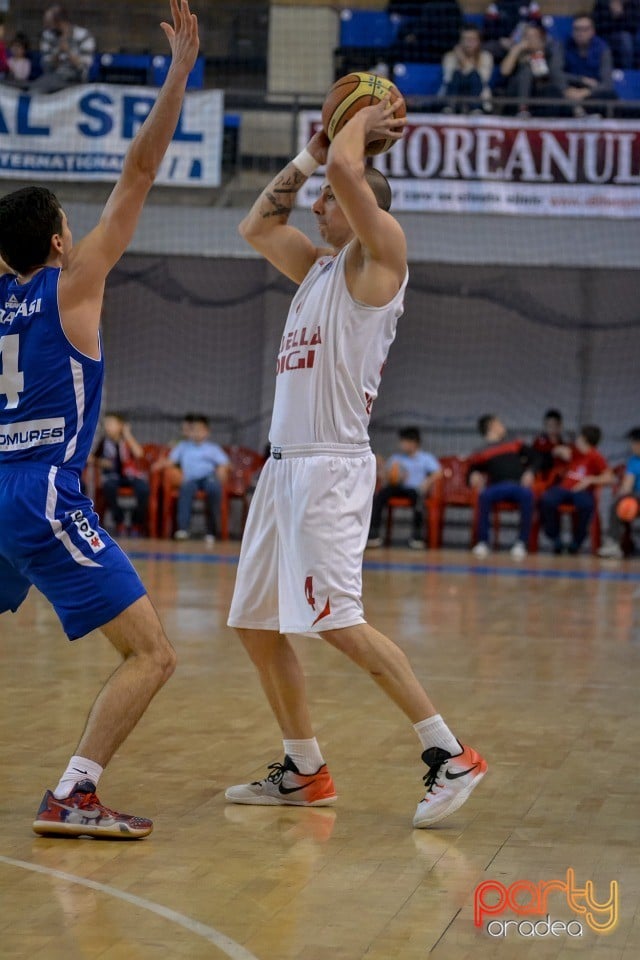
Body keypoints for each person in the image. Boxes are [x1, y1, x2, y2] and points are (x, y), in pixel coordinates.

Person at [225, 97, 487, 830]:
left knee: (336, 622)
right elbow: (255, 225)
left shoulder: (382, 260)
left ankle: (450, 752)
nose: (318, 208)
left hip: (330, 468)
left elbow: (348, 169)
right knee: (254, 624)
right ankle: (304, 769)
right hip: (282, 470)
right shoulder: (315, 267)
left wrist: (355, 122)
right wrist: (311, 150)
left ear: (365, 207)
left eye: (331, 203)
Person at [0, 0, 199, 839]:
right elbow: (140, 174)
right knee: (154, 653)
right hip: (42, 493)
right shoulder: (71, 287)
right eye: (67, 227)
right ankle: (74, 792)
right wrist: (180, 71)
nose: (78, 233)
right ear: (54, 244)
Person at [468, 414, 541, 559]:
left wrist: (531, 472)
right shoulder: (481, 451)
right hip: (496, 487)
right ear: (491, 427)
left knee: (528, 496)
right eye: (499, 423)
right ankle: (483, 542)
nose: (502, 425)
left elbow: (537, 458)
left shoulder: (514, 443)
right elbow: (472, 469)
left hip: (517, 486)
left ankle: (521, 543)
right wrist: (473, 474)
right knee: (484, 496)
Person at [152, 414, 228, 543]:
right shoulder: (183, 446)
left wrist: (222, 471)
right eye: (194, 430)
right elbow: (171, 460)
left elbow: (224, 463)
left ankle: (212, 531)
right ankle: (183, 529)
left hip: (208, 477)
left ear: (207, 432)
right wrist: (158, 464)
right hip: (190, 479)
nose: (197, 433)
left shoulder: (213, 448)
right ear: (190, 432)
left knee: (214, 489)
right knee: (185, 490)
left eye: (200, 430)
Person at [539, 425, 614, 554]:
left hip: (582, 492)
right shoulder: (574, 451)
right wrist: (559, 450)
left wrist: (590, 480)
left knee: (586, 505)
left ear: (584, 439)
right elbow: (557, 450)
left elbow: (610, 477)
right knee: (547, 499)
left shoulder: (596, 456)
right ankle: (555, 537)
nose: (577, 440)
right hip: (563, 489)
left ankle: (576, 541)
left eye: (579, 437)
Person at [367, 426, 442, 548]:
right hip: (397, 487)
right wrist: (381, 468)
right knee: (380, 495)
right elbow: (386, 475)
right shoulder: (396, 458)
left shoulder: (426, 458)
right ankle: (373, 534)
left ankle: (417, 537)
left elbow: (438, 473)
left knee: (418, 500)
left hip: (414, 490)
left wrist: (427, 482)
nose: (401, 444)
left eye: (404, 441)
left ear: (414, 442)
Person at [92, 412, 150, 534]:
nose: (107, 426)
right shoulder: (104, 442)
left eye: (111, 423)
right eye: (106, 424)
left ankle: (136, 523)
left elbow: (139, 454)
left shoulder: (127, 440)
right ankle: (120, 521)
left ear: (121, 426)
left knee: (143, 489)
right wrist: (101, 462)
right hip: (113, 477)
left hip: (131, 476)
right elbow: (92, 458)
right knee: (109, 487)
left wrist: (127, 434)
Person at [499, 22, 564, 115]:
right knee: (526, 70)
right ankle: (522, 108)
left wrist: (537, 55)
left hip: (542, 93)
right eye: (526, 36)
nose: (529, 40)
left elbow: (552, 74)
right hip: (517, 94)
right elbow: (504, 71)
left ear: (542, 40)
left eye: (533, 36)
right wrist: (517, 48)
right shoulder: (517, 53)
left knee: (554, 91)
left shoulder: (549, 53)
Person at [31, 4, 95, 94]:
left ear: (60, 23)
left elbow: (83, 67)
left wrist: (68, 51)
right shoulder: (47, 36)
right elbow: (47, 67)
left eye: (49, 23)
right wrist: (58, 52)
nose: (46, 26)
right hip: (53, 76)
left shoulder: (84, 35)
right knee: (34, 91)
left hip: (76, 79)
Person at [598, 426, 640, 558]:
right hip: (637, 499)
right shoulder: (634, 461)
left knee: (618, 502)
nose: (632, 446)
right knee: (617, 504)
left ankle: (613, 544)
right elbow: (627, 487)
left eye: (633, 443)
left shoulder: (634, 461)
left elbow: (627, 487)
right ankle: (613, 544)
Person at [562, 16, 616, 113]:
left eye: (585, 29)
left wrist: (586, 92)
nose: (580, 33)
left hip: (593, 93)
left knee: (609, 96)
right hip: (569, 91)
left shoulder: (603, 49)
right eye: (577, 29)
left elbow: (607, 84)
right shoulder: (564, 46)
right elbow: (557, 74)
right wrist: (581, 80)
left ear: (592, 31)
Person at [440, 25, 494, 113]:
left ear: (479, 41)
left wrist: (462, 59)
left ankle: (474, 108)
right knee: (456, 75)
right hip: (453, 99)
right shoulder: (450, 56)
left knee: (474, 76)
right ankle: (450, 108)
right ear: (460, 41)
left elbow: (483, 79)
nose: (468, 42)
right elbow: (448, 79)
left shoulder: (486, 56)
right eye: (465, 39)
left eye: (472, 39)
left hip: (479, 102)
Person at [593, 0, 639, 70]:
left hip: (631, 37)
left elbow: (634, 27)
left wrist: (621, 15)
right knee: (625, 39)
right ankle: (627, 72)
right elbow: (598, 27)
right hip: (606, 36)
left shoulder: (633, 3)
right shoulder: (601, 3)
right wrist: (613, 16)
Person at [532, 407, 566, 476]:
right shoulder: (538, 443)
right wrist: (552, 454)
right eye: (549, 425)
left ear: (560, 426)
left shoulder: (564, 445)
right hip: (543, 479)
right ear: (545, 426)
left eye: (554, 425)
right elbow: (536, 461)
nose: (551, 429)